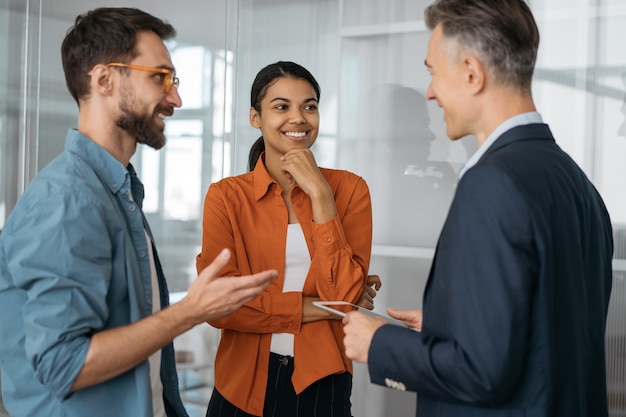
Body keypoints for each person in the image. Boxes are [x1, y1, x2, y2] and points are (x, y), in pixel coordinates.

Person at [0, 8, 277, 417]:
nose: (175, 98)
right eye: (159, 77)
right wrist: (190, 312)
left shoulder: (115, 190)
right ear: (104, 80)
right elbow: (64, 365)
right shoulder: (67, 200)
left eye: (174, 80)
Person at [342, 1, 614, 416]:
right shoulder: (576, 183)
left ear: (471, 73)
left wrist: (380, 343)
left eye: (433, 72)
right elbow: (547, 333)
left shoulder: (491, 183)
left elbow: (482, 372)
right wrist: (447, 326)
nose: (430, 91)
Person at [196, 61, 373, 417]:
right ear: (255, 118)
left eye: (309, 106)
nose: (299, 118)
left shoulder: (349, 190)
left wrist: (321, 195)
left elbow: (344, 297)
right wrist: (316, 308)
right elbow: (219, 306)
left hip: (322, 381)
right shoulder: (226, 197)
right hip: (239, 384)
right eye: (281, 106)